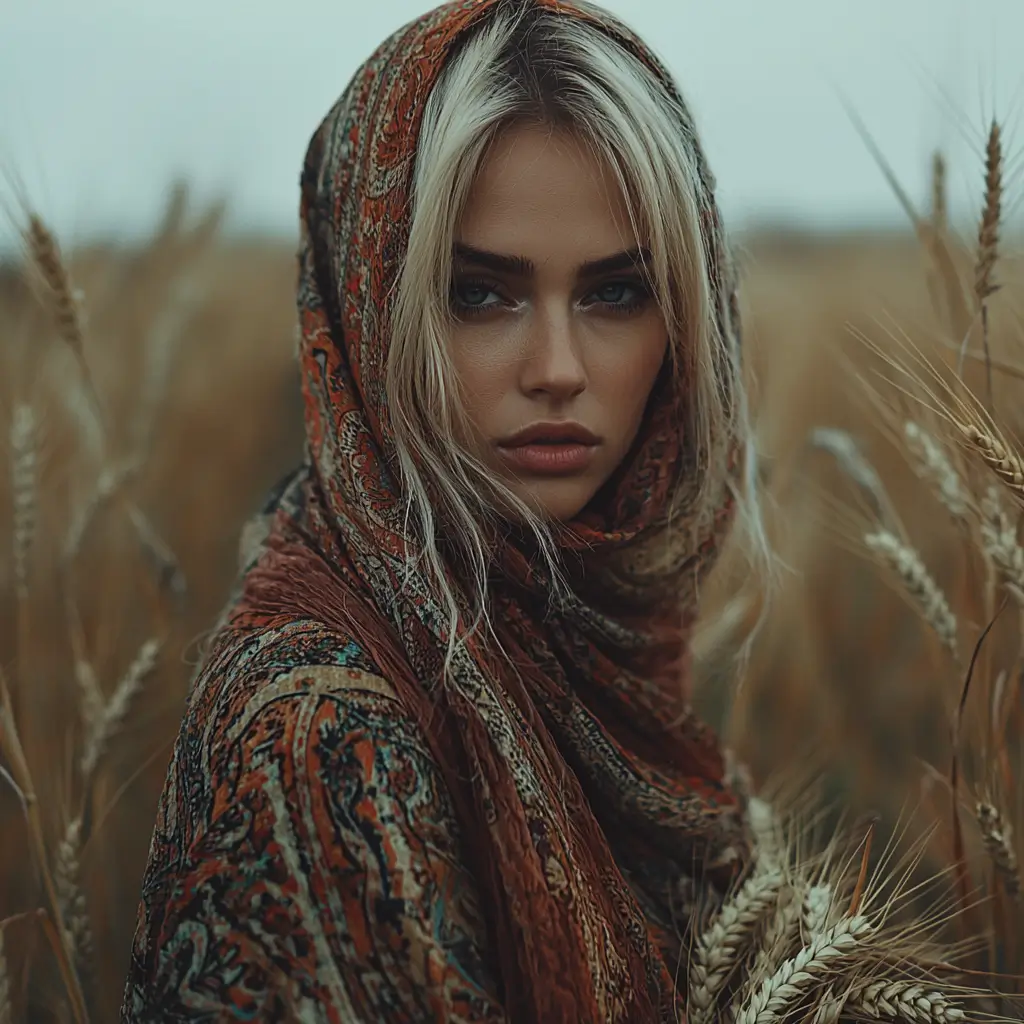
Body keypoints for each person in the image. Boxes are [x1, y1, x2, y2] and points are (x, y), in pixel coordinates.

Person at [122, 0, 769, 1020]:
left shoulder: (599, 637)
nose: (557, 370)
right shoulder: (320, 736)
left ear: (687, 321)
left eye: (614, 294)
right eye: (478, 295)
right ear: (372, 301)